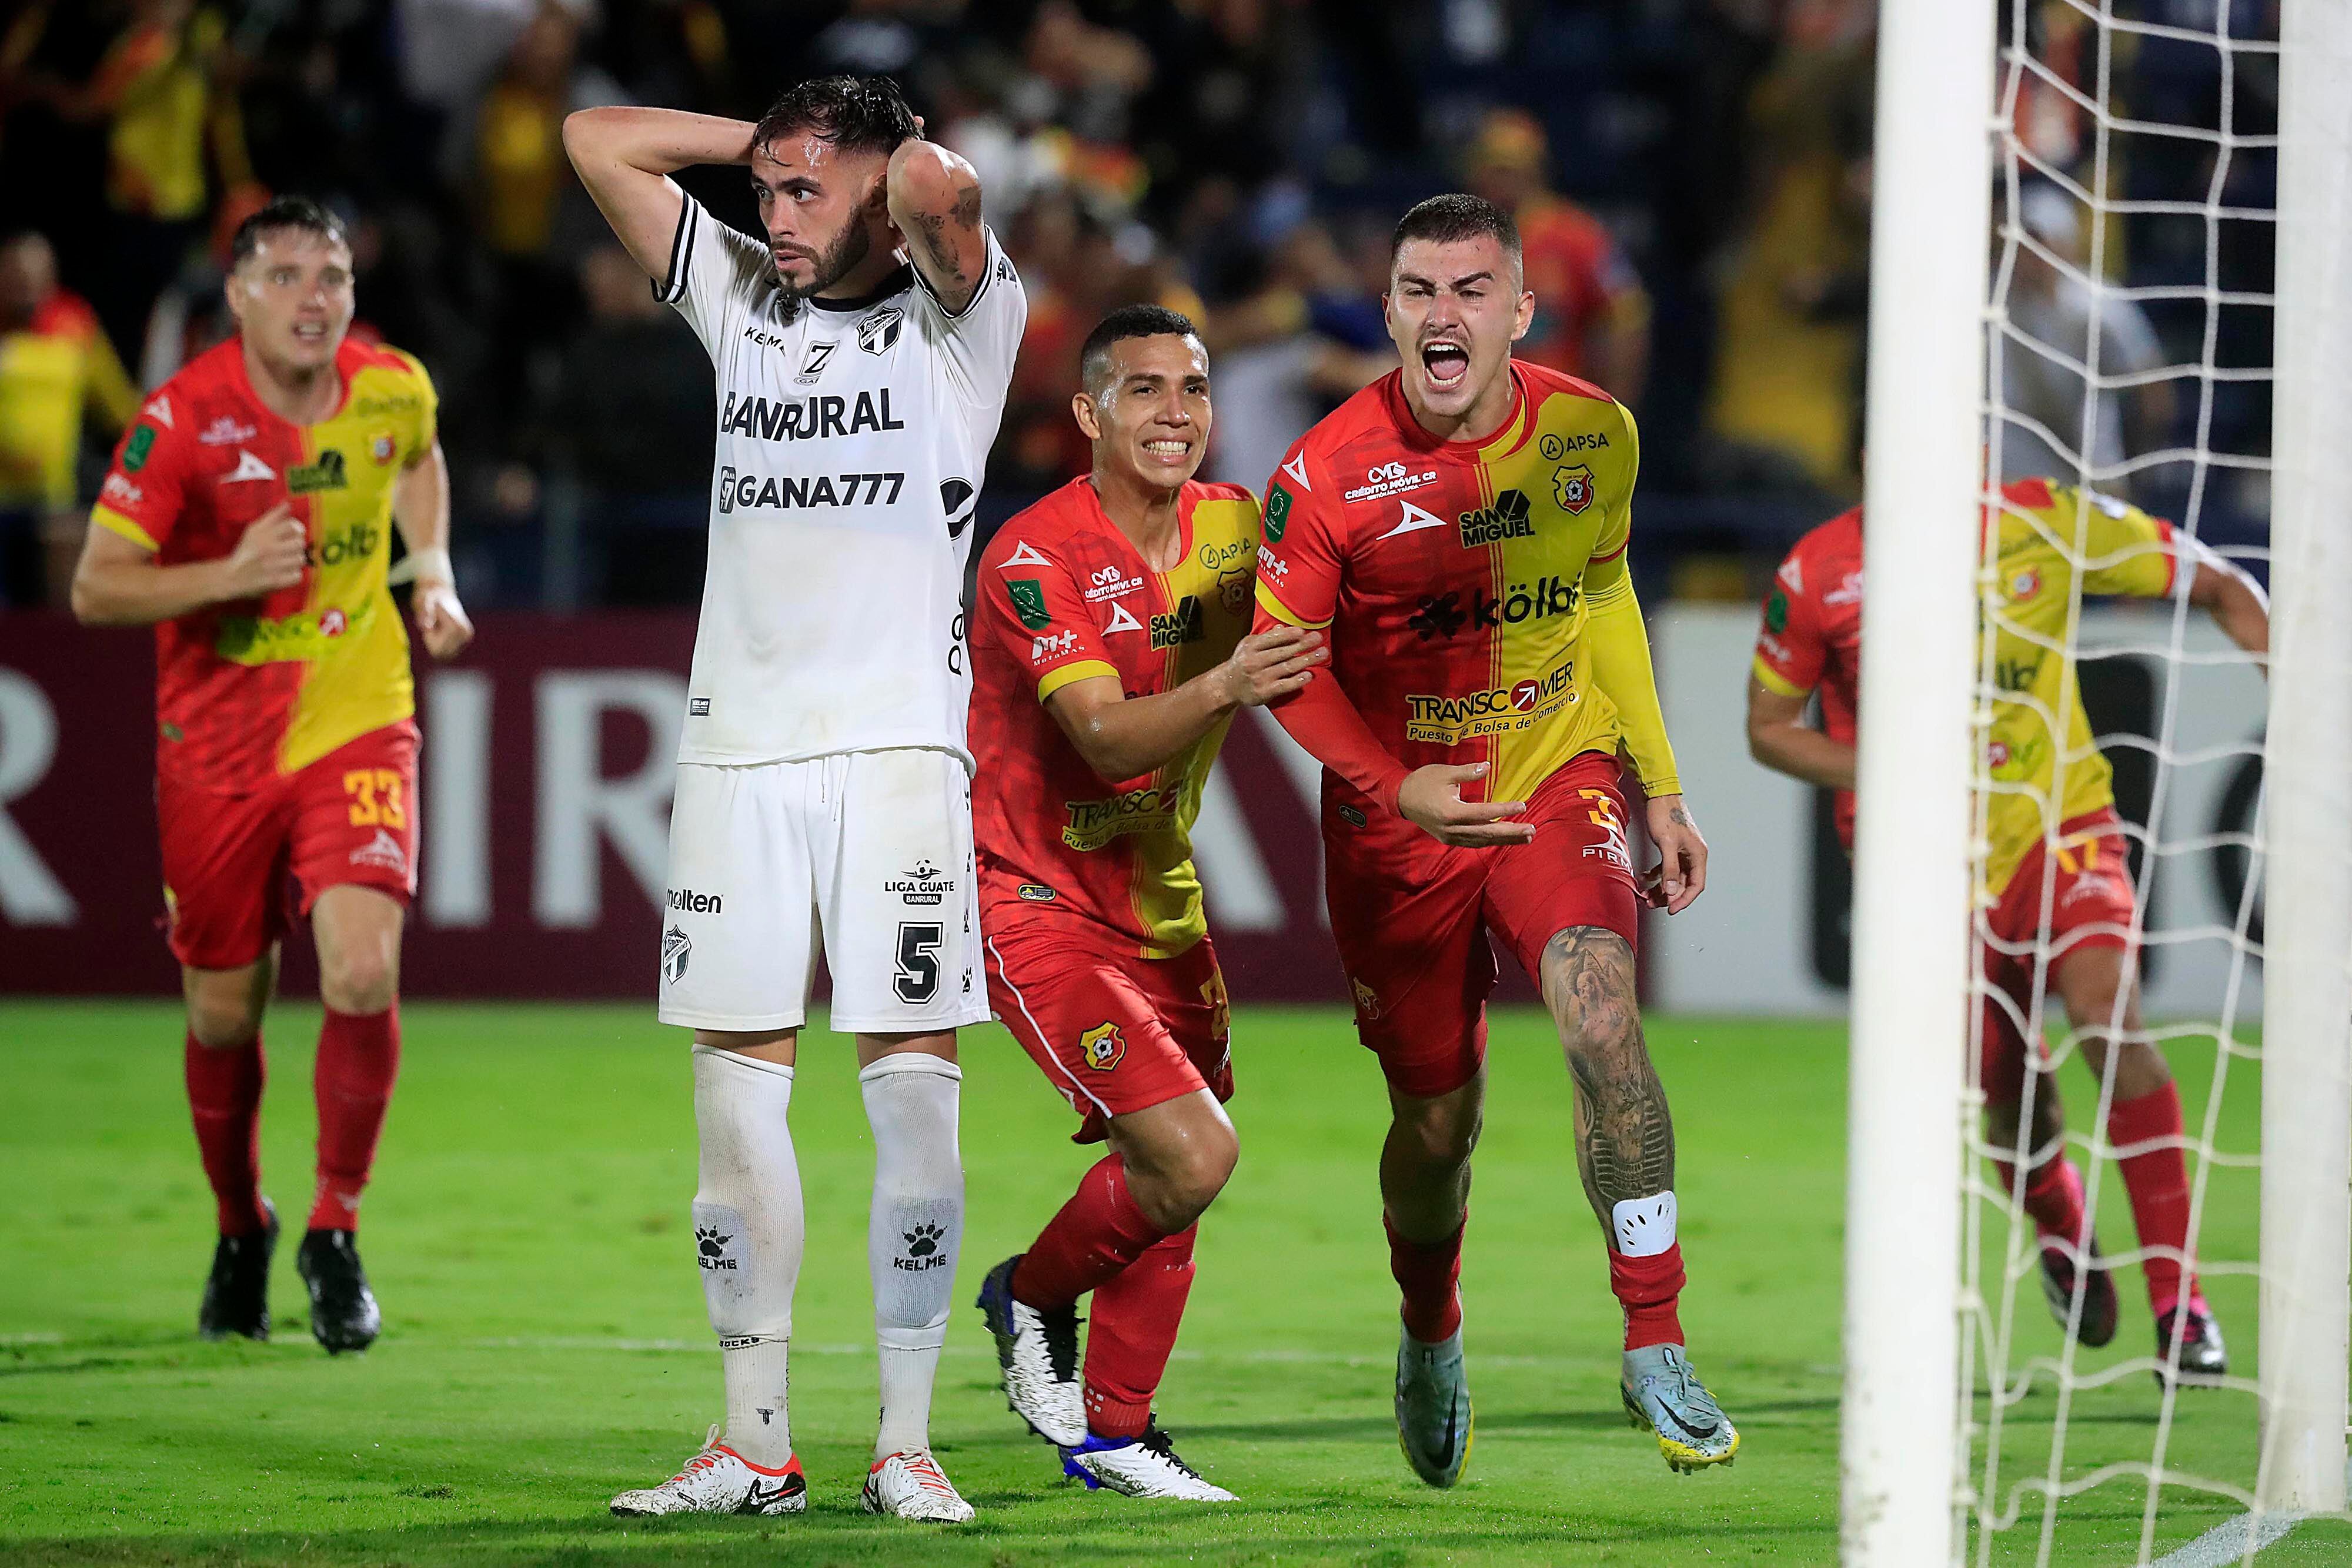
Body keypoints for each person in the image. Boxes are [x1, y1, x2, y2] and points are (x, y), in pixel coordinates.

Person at [563, 74, 1025, 1523]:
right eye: (768, 192)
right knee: (731, 1110)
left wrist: (881, 174)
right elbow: (595, 140)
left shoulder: (963, 325)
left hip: (895, 755)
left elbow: (949, 194)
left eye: (805, 192)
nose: (774, 216)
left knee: (913, 1111)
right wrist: (755, 149)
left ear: (881, 193)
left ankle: (905, 1440)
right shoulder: (744, 299)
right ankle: (754, 1443)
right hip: (736, 754)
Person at [1252, 193, 1739, 1482]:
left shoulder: (1592, 430)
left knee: (1601, 1019)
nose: (1442, 313)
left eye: (1471, 289)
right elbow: (1283, 668)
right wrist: (1386, 780)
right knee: (1435, 1130)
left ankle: (1654, 1334)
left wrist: (1662, 786)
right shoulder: (1325, 474)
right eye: (1418, 290)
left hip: (1547, 770)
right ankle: (1428, 1328)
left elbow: (1602, 594)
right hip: (1395, 822)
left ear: (1520, 310)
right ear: (1388, 308)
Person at [1746, 477, 2267, 1381]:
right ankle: (2062, 1224)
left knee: (2109, 1018)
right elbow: (1767, 728)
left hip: (2060, 827)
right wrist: (1890, 765)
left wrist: (2319, 709)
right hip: (1922, 863)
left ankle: (2181, 1303)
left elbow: (2219, 582)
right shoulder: (1819, 569)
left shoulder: (2045, 519)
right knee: (2006, 1092)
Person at [68, 195, 472, 1355]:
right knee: (223, 1010)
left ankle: (334, 1230)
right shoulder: (180, 421)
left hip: (357, 710)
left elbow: (420, 460)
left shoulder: (390, 383)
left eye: (332, 276)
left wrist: (430, 571)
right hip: (219, 747)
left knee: (358, 965)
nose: (313, 298)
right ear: (237, 293)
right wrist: (227, 574)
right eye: (286, 276)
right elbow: (96, 587)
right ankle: (240, 1221)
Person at [967, 304, 1324, 1500]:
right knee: (1189, 1151)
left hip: (1161, 901)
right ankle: (1025, 1296)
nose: (1175, 411)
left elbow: (1354, 584)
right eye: (1143, 391)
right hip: (1035, 897)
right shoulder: (1032, 557)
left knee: (1176, 1174)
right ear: (1087, 414)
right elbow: (1107, 741)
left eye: (1193, 389)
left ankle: (1115, 1434)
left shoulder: (1235, 531)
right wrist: (1227, 677)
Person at [1462, 109, 1649, 404]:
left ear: (1537, 170)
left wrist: (1617, 411)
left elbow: (1627, 314)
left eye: (1513, 169)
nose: (1503, 181)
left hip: (1556, 411)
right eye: (1494, 169)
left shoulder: (1577, 235)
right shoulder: (1456, 237)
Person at [0, 230, 141, 606]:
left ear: (51, 276)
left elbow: (118, 407)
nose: (24, 285)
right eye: (14, 275)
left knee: (51, 622)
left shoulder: (74, 324)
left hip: (53, 505)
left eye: (34, 274)